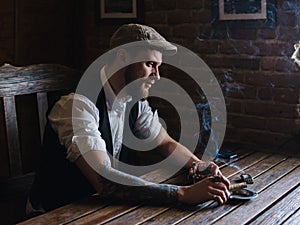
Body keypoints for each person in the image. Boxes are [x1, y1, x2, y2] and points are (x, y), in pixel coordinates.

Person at [27, 24, 230, 215]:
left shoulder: (133, 100)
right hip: (60, 212)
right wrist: (184, 194)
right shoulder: (77, 105)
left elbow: (165, 143)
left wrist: (197, 165)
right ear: (123, 56)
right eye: (150, 64)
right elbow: (104, 180)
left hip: (103, 207)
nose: (157, 76)